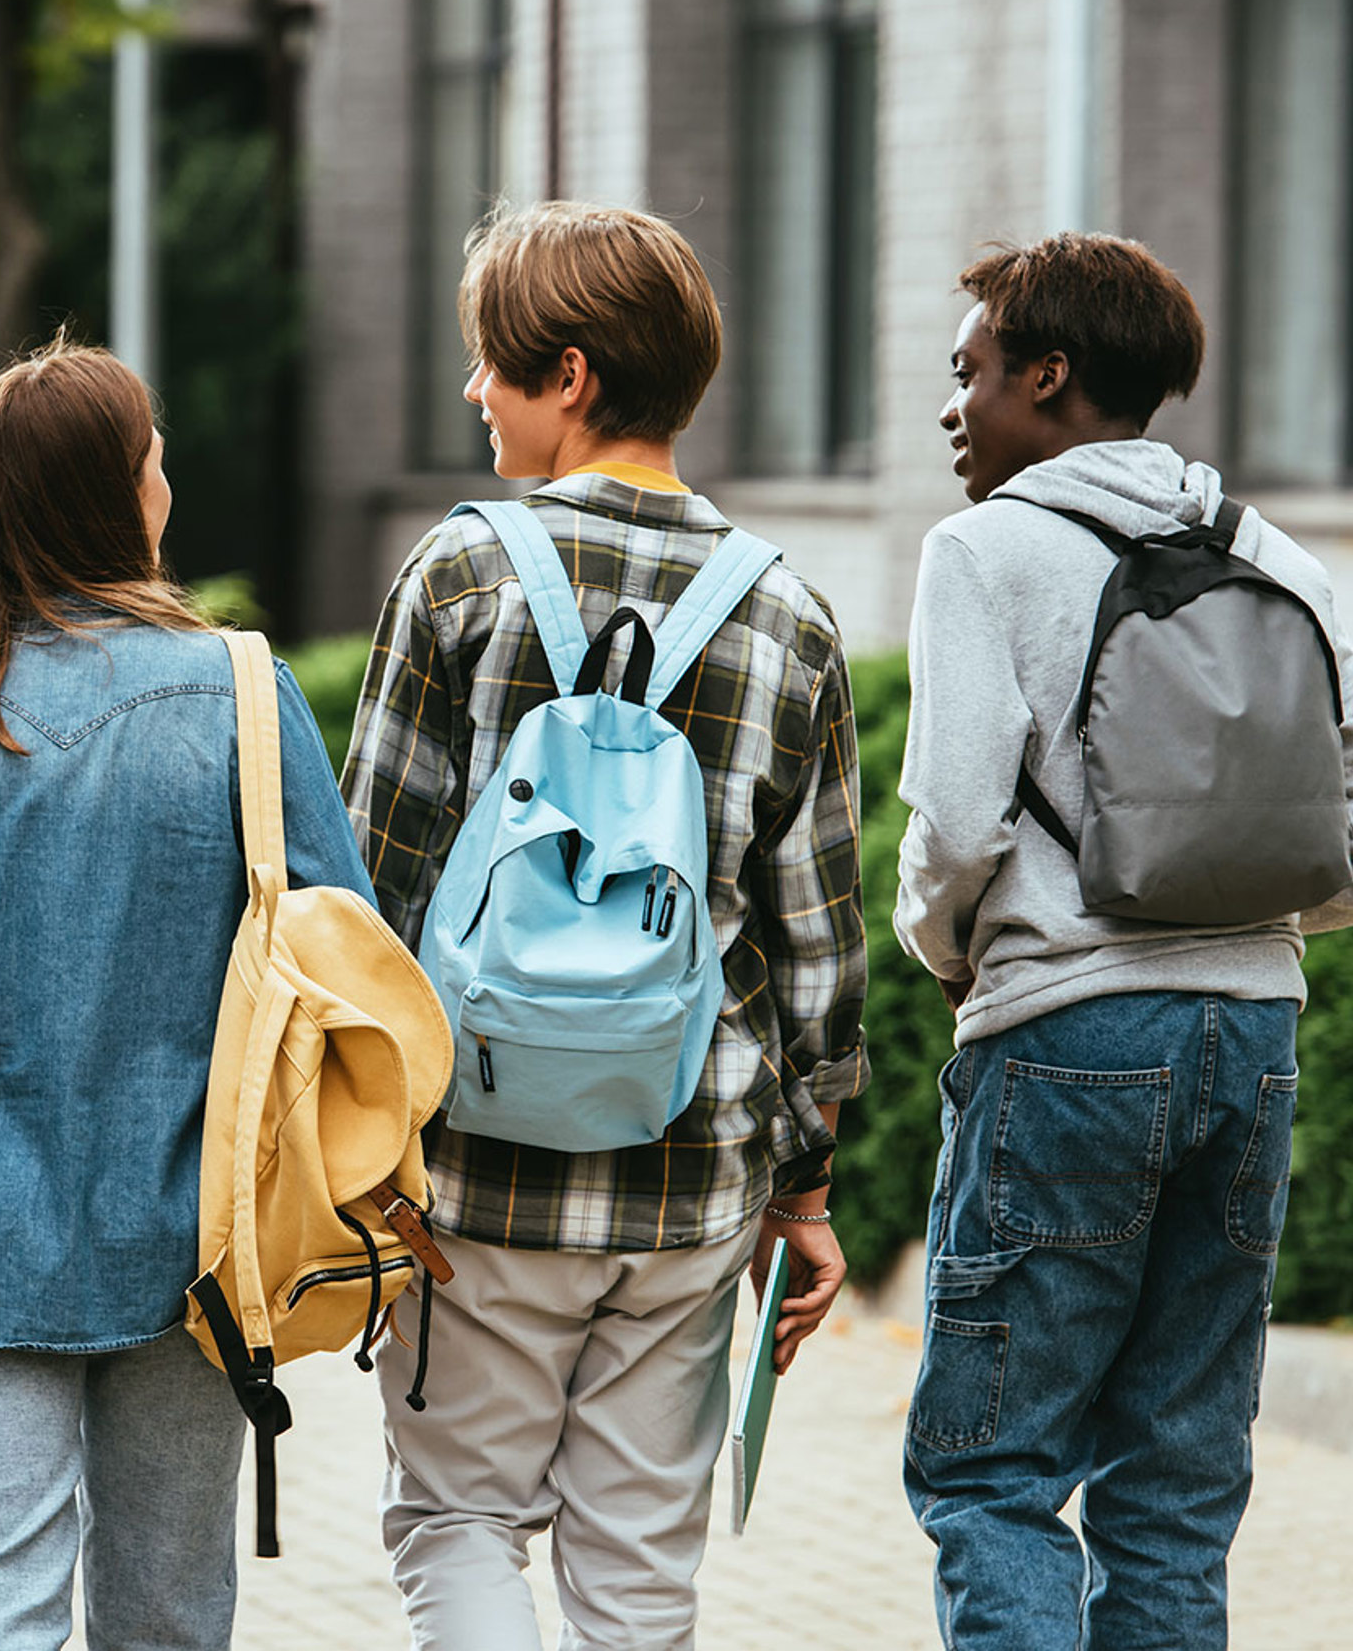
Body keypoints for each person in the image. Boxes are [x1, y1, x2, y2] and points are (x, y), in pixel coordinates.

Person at [0, 342, 373, 1651]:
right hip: (196, 1234)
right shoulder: (242, 693)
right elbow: (344, 956)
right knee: (169, 1615)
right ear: (121, 494)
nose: (167, 476)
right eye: (151, 454)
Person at [343, 201, 870, 1649]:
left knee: (456, 1525)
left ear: (568, 378)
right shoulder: (791, 616)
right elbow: (817, 949)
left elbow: (367, 898)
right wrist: (806, 1189)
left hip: (476, 1179)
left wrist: (352, 1155)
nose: (473, 394)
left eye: (490, 366)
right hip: (692, 1170)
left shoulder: (457, 572)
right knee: (639, 1572)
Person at [895, 232, 1353, 1648]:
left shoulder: (982, 549)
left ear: (1049, 373)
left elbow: (959, 829)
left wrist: (946, 947)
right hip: (1254, 1035)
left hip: (1068, 1039)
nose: (951, 407)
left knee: (998, 1468)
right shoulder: (1284, 556)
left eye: (969, 372)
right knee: (1175, 1477)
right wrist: (1264, 920)